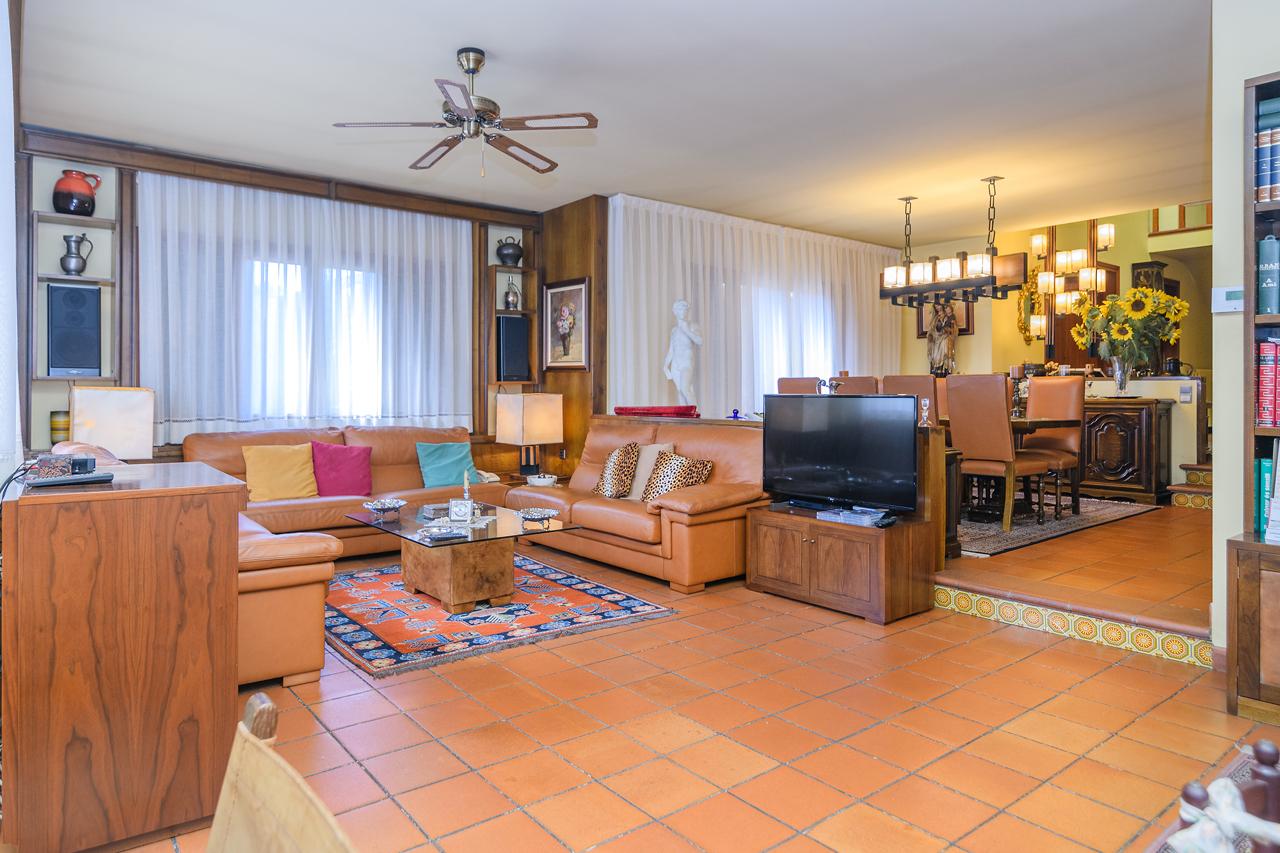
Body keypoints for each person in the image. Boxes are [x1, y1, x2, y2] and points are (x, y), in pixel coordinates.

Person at [663, 299, 702, 406]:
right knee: (680, 391)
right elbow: (671, 350)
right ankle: (684, 415)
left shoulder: (692, 326)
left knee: (685, 389)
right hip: (675, 364)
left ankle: (694, 413)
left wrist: (686, 330)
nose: (683, 311)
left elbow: (699, 341)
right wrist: (665, 366)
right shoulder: (674, 330)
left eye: (685, 309)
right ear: (675, 311)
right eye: (680, 309)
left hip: (686, 362)